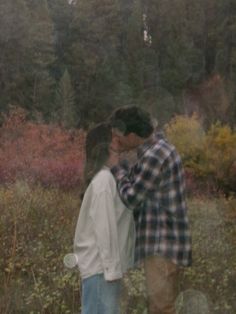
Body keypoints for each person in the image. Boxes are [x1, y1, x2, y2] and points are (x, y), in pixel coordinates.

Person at [109, 105, 192, 314]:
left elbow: (132, 198)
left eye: (119, 136)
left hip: (161, 244)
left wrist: (116, 167)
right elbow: (139, 180)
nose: (116, 140)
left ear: (133, 135)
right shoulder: (155, 150)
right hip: (163, 244)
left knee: (161, 308)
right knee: (160, 306)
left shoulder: (156, 155)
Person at [73, 122, 135, 314]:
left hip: (102, 272)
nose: (118, 147)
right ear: (103, 148)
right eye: (113, 142)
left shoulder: (106, 178)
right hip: (102, 272)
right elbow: (104, 229)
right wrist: (112, 271)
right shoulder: (104, 180)